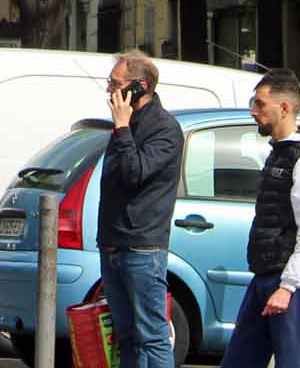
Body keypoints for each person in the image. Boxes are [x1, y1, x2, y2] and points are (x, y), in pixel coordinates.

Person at [219, 70, 300, 368]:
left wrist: (288, 286)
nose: (254, 111)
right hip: (265, 273)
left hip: (285, 278)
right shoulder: (280, 152)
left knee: (291, 361)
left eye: (260, 104)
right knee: (239, 359)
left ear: (284, 108)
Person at [98, 50, 184, 368]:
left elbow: (135, 173)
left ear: (140, 86)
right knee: (126, 336)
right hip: (113, 243)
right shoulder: (127, 124)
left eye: (115, 83)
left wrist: (122, 129)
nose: (109, 90)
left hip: (142, 247)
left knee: (152, 337)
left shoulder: (164, 129)